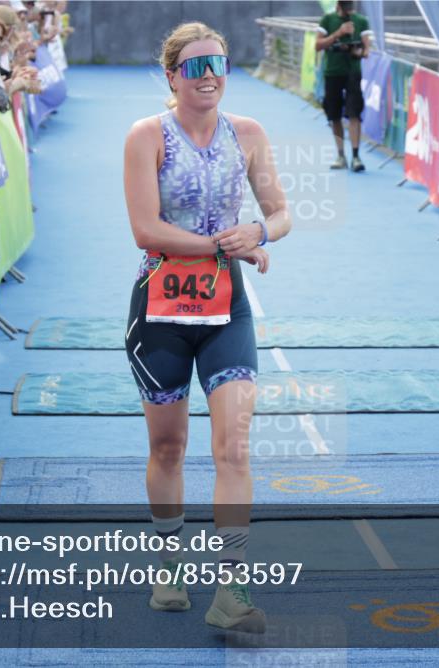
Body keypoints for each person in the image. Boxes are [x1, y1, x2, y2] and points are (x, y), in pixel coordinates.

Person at [122, 22, 291, 634]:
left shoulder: (248, 134)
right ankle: (168, 566)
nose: (210, 75)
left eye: (218, 62)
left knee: (234, 445)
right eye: (195, 66)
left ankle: (231, 587)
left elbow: (280, 210)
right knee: (168, 446)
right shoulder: (147, 136)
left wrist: (262, 232)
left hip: (228, 309)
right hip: (161, 311)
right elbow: (145, 229)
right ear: (172, 77)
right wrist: (225, 245)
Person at [316, 0, 372, 172]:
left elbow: (367, 50)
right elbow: (317, 46)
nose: (349, 11)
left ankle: (355, 156)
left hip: (352, 73)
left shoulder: (361, 21)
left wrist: (360, 51)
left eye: (351, 7)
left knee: (354, 113)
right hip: (332, 72)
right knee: (334, 115)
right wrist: (338, 34)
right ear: (339, 6)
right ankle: (341, 155)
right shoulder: (327, 20)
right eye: (346, 7)